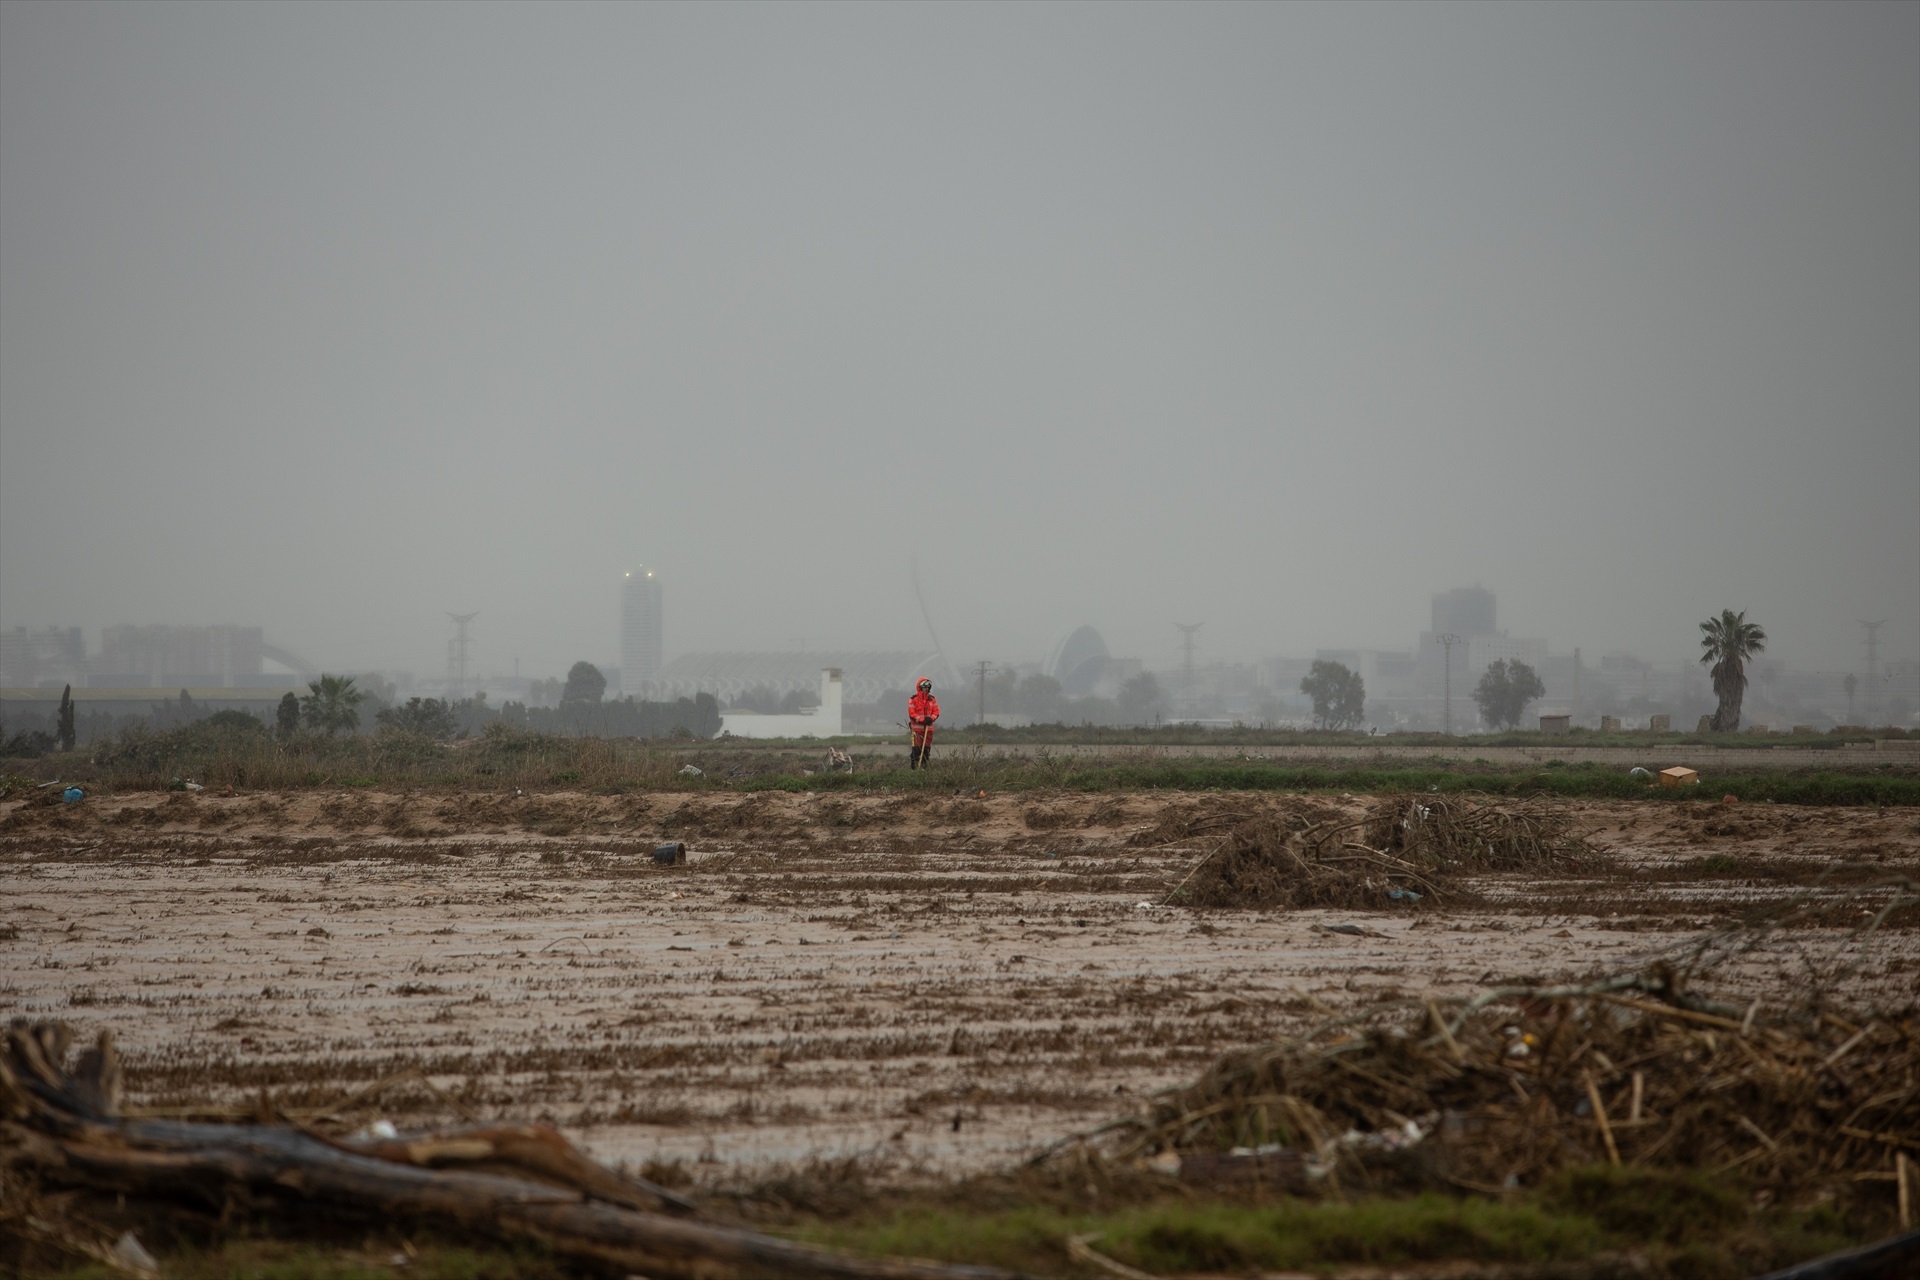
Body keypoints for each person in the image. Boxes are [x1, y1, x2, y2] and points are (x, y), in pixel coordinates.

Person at [907, 677, 939, 769]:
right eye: (924, 687)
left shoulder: (932, 699)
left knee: (926, 751)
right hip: (917, 730)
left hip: (928, 730)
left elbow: (936, 712)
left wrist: (931, 719)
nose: (926, 689)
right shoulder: (913, 699)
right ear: (919, 687)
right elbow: (912, 713)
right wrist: (922, 720)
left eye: (928, 687)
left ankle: (924, 768)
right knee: (916, 750)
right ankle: (914, 769)